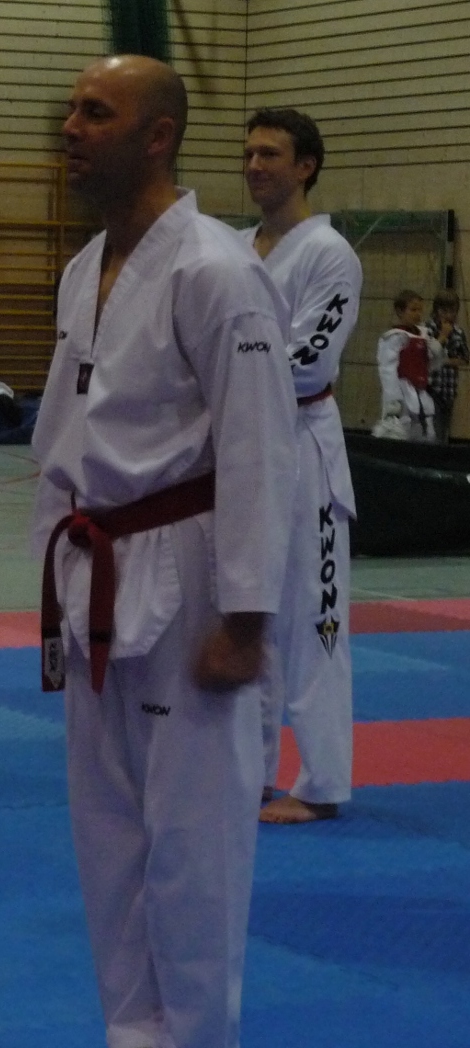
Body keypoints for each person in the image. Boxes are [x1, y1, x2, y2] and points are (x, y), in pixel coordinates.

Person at [32, 56, 295, 1048]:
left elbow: (261, 449)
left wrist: (247, 619)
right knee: (110, 826)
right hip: (96, 568)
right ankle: (135, 1038)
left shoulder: (218, 270)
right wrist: (50, 580)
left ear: (158, 136)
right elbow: (64, 440)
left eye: (95, 112)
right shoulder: (84, 267)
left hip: (189, 572)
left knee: (194, 830)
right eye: (71, 107)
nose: (70, 126)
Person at [238, 108, 363, 827]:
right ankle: (250, 768)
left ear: (306, 166)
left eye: (270, 154)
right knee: (246, 609)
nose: (255, 166)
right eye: (249, 153)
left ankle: (322, 782)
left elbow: (311, 358)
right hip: (240, 450)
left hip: (303, 447)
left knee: (316, 618)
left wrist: (227, 384)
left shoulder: (329, 253)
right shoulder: (233, 248)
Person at [373, 290, 439, 441]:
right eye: (413, 310)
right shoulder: (394, 337)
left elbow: (430, 365)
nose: (417, 314)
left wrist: (437, 351)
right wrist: (392, 400)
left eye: (420, 310)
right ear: (400, 311)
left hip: (421, 392)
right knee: (400, 432)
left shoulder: (424, 335)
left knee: (427, 433)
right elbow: (387, 370)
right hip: (402, 392)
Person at [428, 288, 466, 439]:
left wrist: (445, 361)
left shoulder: (458, 332)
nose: (448, 315)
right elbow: (428, 355)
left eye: (452, 311)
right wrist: (443, 335)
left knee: (443, 431)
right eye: (444, 311)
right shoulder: (429, 328)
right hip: (432, 388)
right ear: (436, 310)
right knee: (433, 430)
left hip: (449, 389)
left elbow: (464, 358)